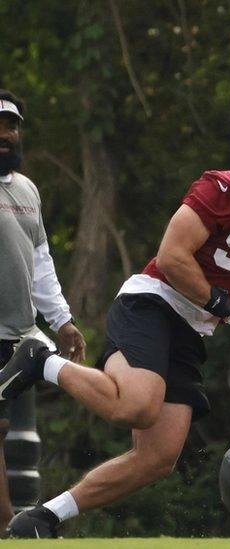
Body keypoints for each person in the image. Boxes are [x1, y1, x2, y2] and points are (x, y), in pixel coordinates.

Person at [0, 107, 230, 537]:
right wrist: (224, 304)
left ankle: (44, 517)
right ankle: (40, 359)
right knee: (137, 406)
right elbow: (173, 255)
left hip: (192, 325)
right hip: (153, 305)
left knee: (157, 458)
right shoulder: (223, 187)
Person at [0, 89, 86, 530]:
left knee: (11, 444)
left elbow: (41, 263)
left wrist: (63, 321)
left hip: (17, 340)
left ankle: (13, 526)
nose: (6, 135)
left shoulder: (27, 190)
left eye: (11, 127)